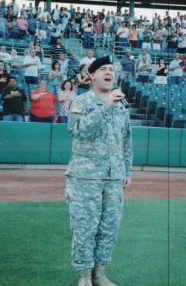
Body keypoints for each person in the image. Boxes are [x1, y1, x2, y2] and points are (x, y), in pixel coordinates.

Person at [65, 55, 132, 286]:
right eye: (103, 69)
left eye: (112, 70)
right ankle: (84, 275)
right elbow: (80, 132)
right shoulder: (82, 102)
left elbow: (126, 141)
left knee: (109, 229)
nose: (109, 73)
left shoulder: (122, 105)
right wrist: (106, 105)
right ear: (92, 75)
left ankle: (100, 273)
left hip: (113, 178)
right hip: (85, 177)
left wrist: (127, 170)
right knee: (84, 227)